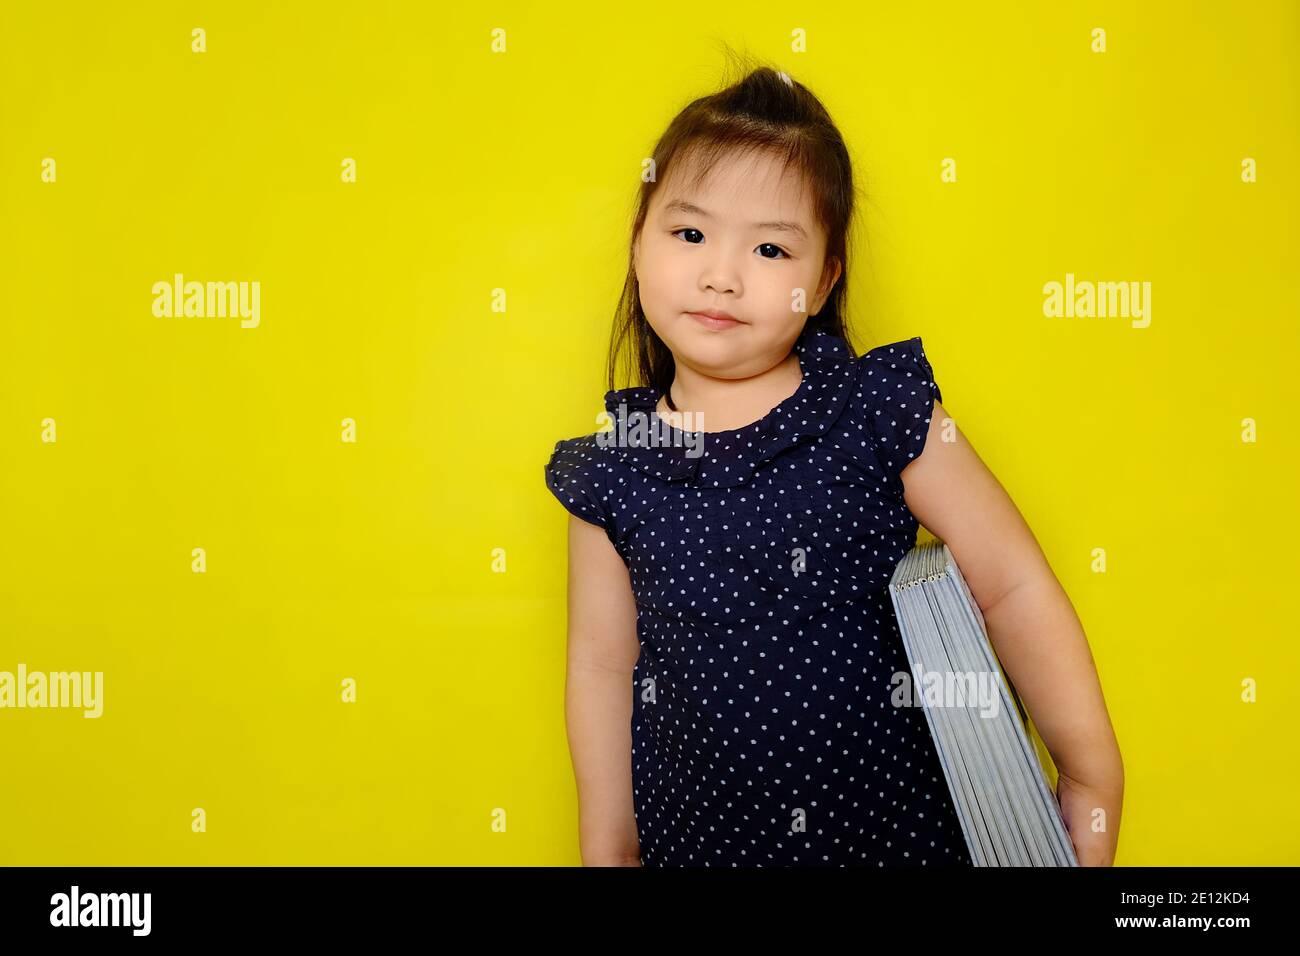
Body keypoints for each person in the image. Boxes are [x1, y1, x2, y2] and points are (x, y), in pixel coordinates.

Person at [544, 62, 1123, 867]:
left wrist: (1092, 773)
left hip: (900, 841)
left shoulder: (876, 412)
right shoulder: (612, 472)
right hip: (705, 846)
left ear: (823, 281)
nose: (721, 273)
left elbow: (1012, 585)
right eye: (689, 233)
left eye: (772, 247)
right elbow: (605, 668)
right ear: (639, 243)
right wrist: (607, 844)